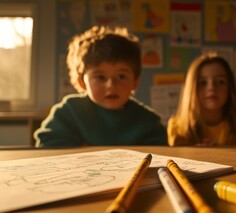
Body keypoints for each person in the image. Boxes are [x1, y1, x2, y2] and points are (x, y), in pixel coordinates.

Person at [34, 25, 167, 147]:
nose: (111, 85)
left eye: (121, 76)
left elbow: (158, 155)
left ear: (135, 82)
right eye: (100, 77)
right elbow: (48, 146)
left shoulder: (148, 122)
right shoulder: (69, 112)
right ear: (82, 82)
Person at [167, 52, 236, 146]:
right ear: (191, 89)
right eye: (202, 82)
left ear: (230, 88)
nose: (211, 87)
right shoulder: (177, 127)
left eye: (220, 81)